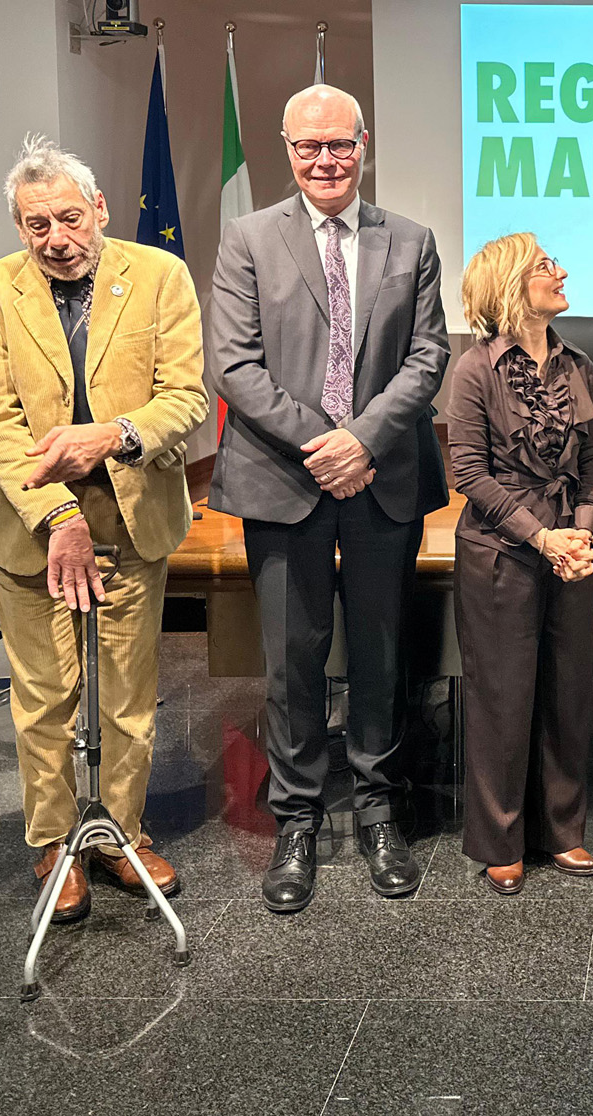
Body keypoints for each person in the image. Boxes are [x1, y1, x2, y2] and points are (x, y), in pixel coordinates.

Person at [210, 84, 450, 910]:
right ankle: (298, 821)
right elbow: (233, 366)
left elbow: (428, 356)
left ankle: (380, 811)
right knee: (294, 662)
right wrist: (323, 444)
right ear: (286, 148)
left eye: (339, 145)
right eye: (309, 146)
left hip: (383, 476)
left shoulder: (410, 241)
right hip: (285, 477)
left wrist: (364, 440)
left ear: (363, 143)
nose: (325, 160)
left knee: (382, 657)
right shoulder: (247, 238)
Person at [0, 136, 207, 924]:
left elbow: (187, 397)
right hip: (33, 528)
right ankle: (56, 841)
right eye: (36, 226)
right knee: (46, 697)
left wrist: (115, 435)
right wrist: (58, 512)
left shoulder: (160, 275)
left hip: (135, 518)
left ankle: (120, 835)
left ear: (99, 209)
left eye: (69, 217)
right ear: (19, 227)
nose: (56, 238)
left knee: (128, 697)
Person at [446, 234, 593, 895]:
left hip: (568, 550)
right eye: (546, 266)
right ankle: (500, 840)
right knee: (501, 701)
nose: (562, 271)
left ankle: (563, 833)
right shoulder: (474, 370)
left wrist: (581, 535)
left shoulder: (579, 364)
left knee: (567, 695)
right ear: (513, 287)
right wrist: (540, 537)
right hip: (500, 552)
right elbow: (467, 473)